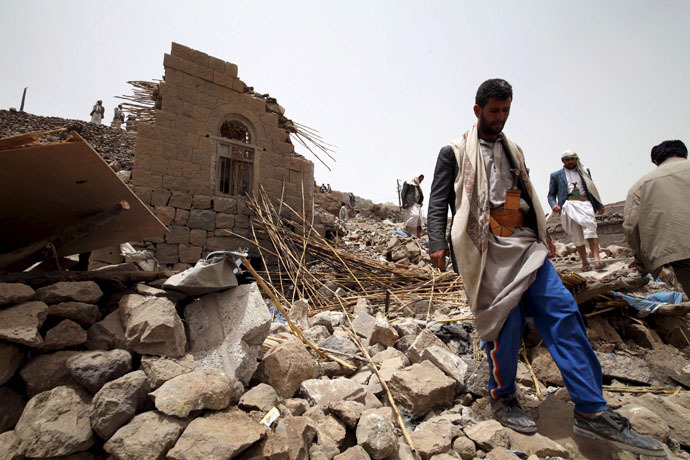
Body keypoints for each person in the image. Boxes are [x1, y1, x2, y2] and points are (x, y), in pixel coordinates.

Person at [426, 78, 663, 456]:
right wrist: (436, 243)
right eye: (493, 112)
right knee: (506, 324)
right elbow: (438, 201)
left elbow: (521, 194)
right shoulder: (454, 151)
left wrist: (539, 232)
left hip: (524, 245)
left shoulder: (513, 150)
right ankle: (503, 398)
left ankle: (592, 409)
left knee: (563, 311)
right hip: (485, 250)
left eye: (505, 111)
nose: (500, 118)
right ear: (477, 111)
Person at [624, 140, 690, 296]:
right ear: (684, 154)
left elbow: (630, 227)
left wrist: (641, 261)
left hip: (681, 254)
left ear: (655, 161)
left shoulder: (640, 185)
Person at [547, 150, 606, 271]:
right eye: (567, 159)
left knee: (591, 229)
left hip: (585, 204)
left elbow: (592, 188)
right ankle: (585, 263)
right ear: (563, 161)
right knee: (576, 235)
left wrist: (599, 204)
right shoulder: (556, 175)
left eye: (572, 159)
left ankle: (597, 259)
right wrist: (554, 205)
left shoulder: (584, 171)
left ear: (576, 159)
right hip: (568, 205)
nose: (570, 161)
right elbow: (551, 195)